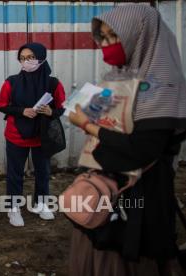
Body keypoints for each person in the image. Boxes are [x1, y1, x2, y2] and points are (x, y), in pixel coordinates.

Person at [68, 5, 186, 275]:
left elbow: (141, 150)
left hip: (140, 193)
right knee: (97, 243)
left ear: (139, 35)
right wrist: (85, 114)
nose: (108, 45)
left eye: (114, 37)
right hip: (103, 185)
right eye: (104, 37)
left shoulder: (162, 84)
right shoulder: (115, 77)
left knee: (126, 256)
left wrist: (87, 124)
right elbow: (89, 116)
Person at [0, 43, 66, 226]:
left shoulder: (53, 83)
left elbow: (62, 107)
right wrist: (22, 111)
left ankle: (41, 204)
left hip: (42, 136)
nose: (26, 61)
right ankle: (13, 209)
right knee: (15, 173)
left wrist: (52, 112)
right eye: (22, 58)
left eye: (30, 57)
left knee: (43, 171)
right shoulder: (11, 82)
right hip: (16, 135)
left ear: (41, 57)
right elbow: (2, 106)